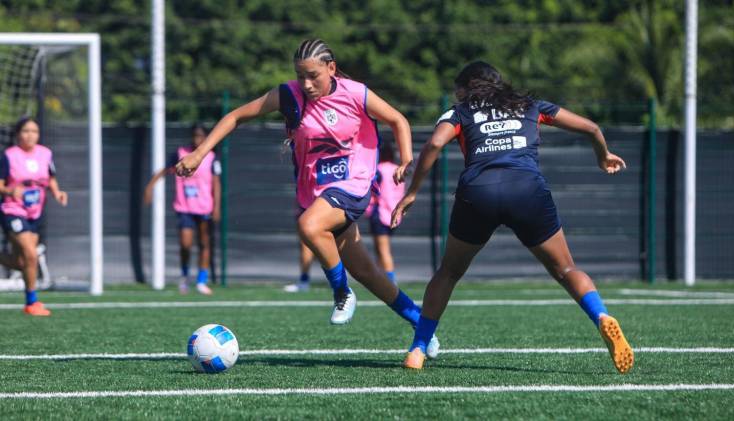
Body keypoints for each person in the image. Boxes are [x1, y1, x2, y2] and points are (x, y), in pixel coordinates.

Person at [175, 39, 438, 357]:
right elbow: (235, 117)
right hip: (316, 191)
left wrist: (406, 158)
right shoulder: (288, 95)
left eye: (313, 75)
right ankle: (422, 326)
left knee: (309, 226)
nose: (306, 83)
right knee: (368, 272)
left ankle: (341, 293)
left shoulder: (355, 93)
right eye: (300, 75)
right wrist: (201, 153)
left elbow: (398, 120)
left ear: (331, 68)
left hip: (354, 183)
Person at [392, 61, 633, 373]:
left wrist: (411, 193)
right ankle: (601, 315)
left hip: (479, 193)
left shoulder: (461, 111)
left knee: (448, 272)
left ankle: (418, 349)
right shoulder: (530, 105)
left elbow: (436, 143)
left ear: (466, 89)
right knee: (566, 269)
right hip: (527, 190)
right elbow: (591, 127)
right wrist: (603, 155)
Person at [0, 116, 68, 316]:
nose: (30, 135)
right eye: (26, 131)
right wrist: (11, 191)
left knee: (22, 262)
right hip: (12, 210)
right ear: (18, 134)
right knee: (31, 255)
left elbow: (51, 178)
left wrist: (57, 193)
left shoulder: (45, 154)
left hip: (35, 212)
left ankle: (31, 301)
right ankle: (32, 302)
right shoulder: (9, 155)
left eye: (34, 131)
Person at [144, 124, 221, 295]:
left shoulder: (212, 157)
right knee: (185, 244)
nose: (197, 139)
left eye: (201, 136)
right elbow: (164, 171)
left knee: (204, 243)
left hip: (205, 206)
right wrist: (149, 187)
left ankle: (201, 281)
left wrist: (217, 207)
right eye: (195, 136)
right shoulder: (181, 154)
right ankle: (184, 277)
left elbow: (216, 183)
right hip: (185, 206)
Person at [365, 140, 404, 283]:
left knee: (383, 250)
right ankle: (380, 279)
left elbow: (378, 193)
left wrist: (369, 208)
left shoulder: (378, 170)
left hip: (380, 213)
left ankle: (390, 281)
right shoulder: (398, 169)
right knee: (381, 249)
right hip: (395, 214)